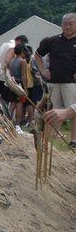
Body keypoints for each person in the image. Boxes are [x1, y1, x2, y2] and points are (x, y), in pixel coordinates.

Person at [34, 13, 76, 147]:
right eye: (65, 23)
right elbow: (37, 54)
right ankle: (49, 138)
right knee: (51, 110)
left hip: (71, 83)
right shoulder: (52, 40)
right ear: (61, 25)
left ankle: (74, 139)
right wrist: (42, 70)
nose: (67, 26)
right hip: (53, 83)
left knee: (73, 112)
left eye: (71, 23)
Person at [10, 43, 27, 125]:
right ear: (22, 51)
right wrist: (25, 89)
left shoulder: (11, 60)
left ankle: (8, 120)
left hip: (12, 83)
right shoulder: (22, 61)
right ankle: (17, 124)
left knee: (12, 103)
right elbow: (24, 75)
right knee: (19, 104)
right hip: (19, 84)